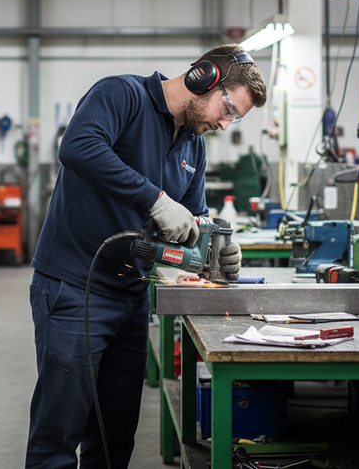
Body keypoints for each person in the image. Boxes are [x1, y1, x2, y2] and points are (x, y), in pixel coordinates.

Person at [26, 43, 268, 469]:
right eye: (228, 108)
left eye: (235, 118)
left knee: (114, 439)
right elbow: (77, 147)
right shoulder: (122, 95)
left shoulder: (193, 146)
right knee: (57, 438)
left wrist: (219, 249)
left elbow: (193, 221)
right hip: (74, 289)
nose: (224, 123)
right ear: (202, 77)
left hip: (133, 297)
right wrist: (155, 199)